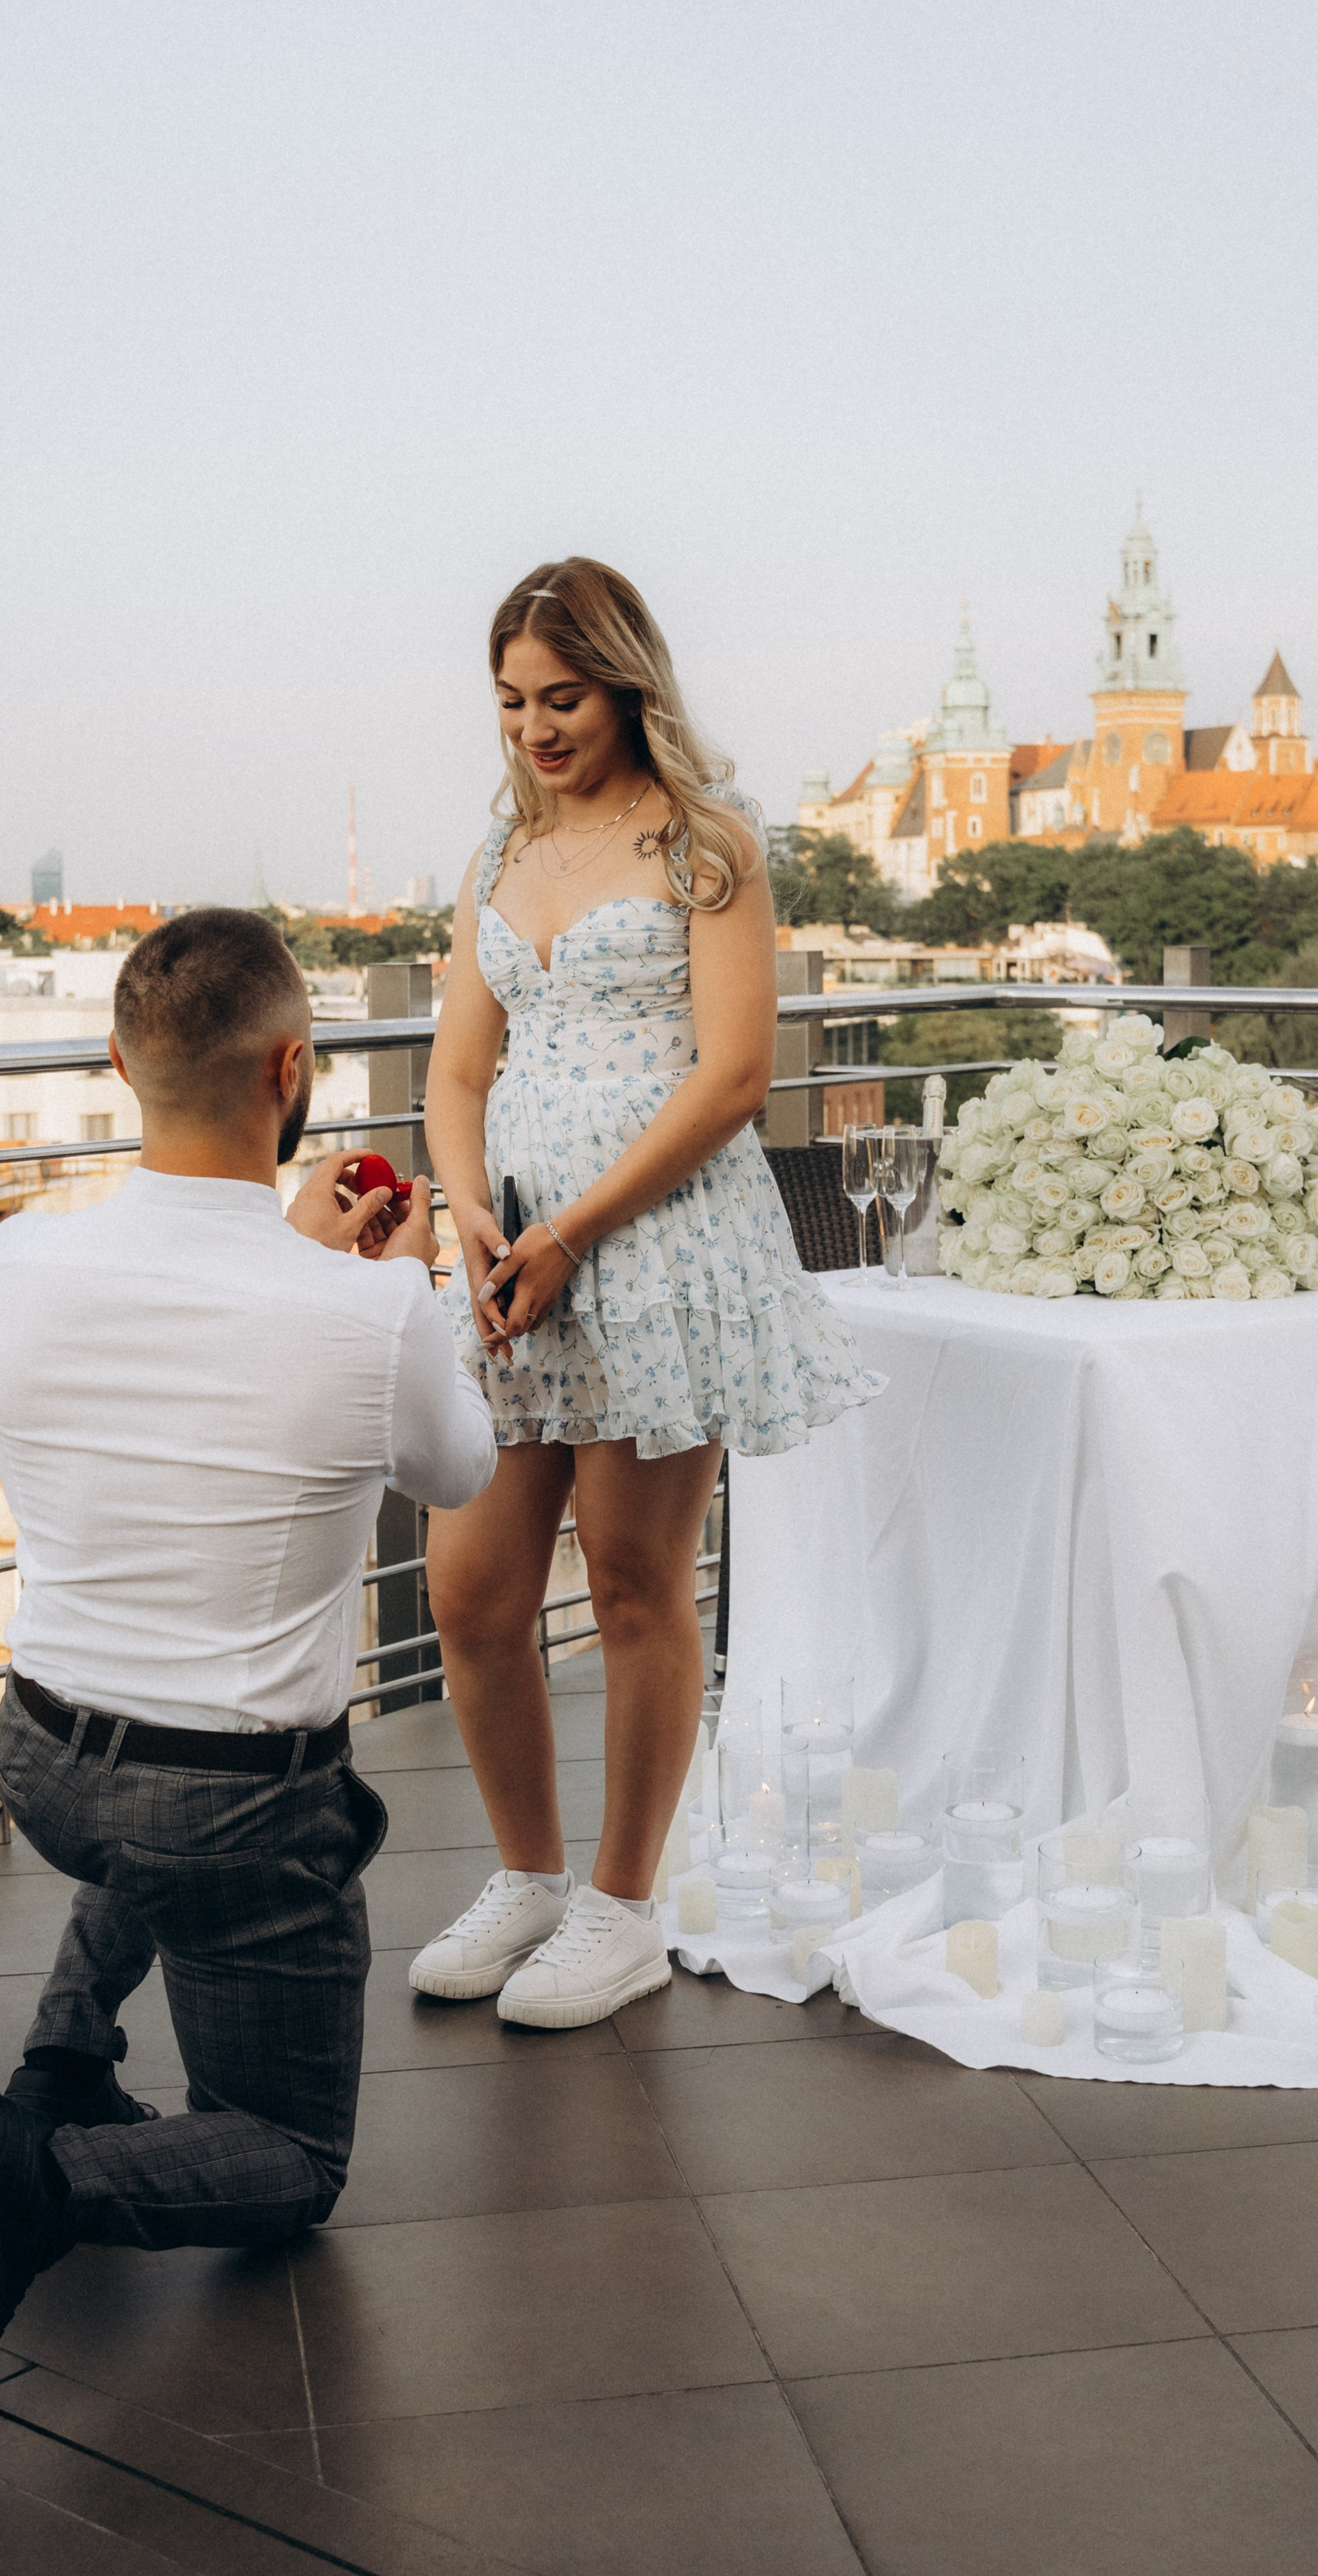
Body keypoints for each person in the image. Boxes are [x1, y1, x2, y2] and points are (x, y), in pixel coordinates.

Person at [0, 908, 496, 2442]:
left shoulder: (21, 1260)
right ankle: (27, 2179)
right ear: (293, 1071)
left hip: (38, 1760)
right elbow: (457, 1467)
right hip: (228, 1813)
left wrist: (300, 1267)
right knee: (289, 2156)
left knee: (141, 1820)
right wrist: (406, 1290)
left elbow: (182, 1343)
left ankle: (59, 2065)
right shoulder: (368, 1309)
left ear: (116, 1062)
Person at [412, 559, 881, 2029]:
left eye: (560, 698)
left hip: (661, 1249)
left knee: (630, 1586)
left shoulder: (706, 847)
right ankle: (530, 1884)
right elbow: (456, 1070)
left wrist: (576, 1235)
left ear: (625, 685)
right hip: (514, 1259)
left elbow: (734, 1076)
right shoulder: (497, 860)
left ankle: (619, 1908)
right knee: (472, 1592)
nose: (533, 729)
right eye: (509, 703)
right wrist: (476, 1219)